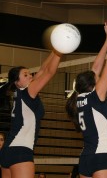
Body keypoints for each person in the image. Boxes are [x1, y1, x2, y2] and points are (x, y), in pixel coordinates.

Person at [66, 11, 107, 178]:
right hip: (101, 157)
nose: (99, 77)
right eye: (97, 78)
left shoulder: (79, 99)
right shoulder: (96, 96)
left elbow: (95, 68)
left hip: (85, 158)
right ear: (92, 85)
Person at [0, 50, 62, 178]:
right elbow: (49, 72)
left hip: (7, 150)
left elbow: (43, 68)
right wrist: (60, 52)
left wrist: (54, 50)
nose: (30, 76)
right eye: (25, 75)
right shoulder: (29, 91)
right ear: (17, 82)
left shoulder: (21, 93)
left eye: (29, 73)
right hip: (20, 150)